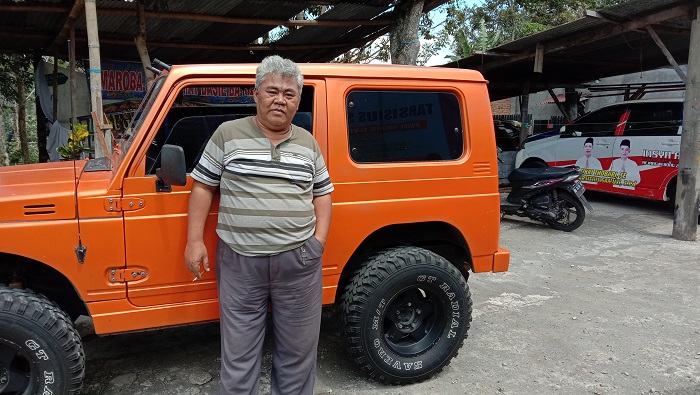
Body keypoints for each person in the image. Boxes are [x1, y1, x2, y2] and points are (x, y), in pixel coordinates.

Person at [184, 55, 333, 395]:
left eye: (290, 93)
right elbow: (204, 186)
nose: (280, 99)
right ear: (256, 94)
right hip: (239, 262)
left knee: (298, 353)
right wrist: (195, 241)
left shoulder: (308, 143)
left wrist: (318, 242)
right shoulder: (228, 134)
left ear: (298, 100)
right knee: (239, 356)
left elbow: (323, 194)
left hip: (299, 263)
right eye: (272, 91)